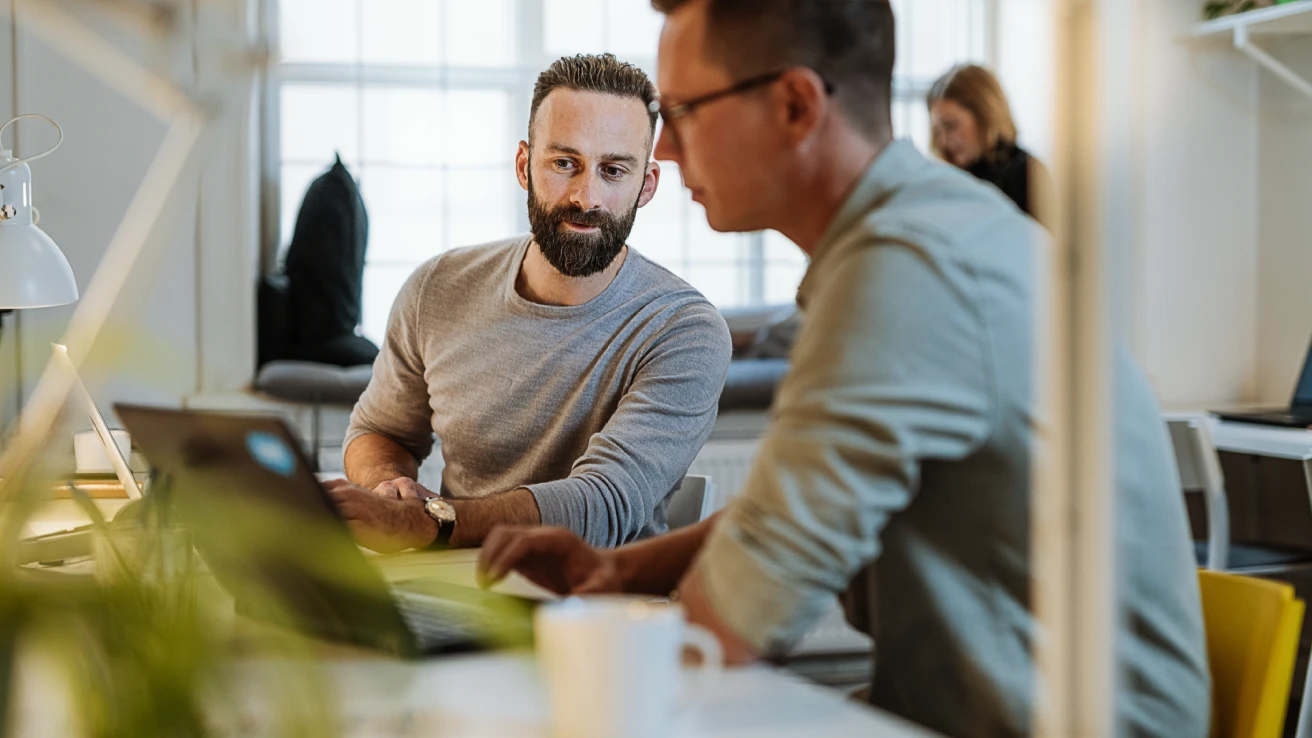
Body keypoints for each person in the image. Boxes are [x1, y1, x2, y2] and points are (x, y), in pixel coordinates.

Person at [477, 3, 1210, 737]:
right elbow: (786, 512)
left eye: (685, 111)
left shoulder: (906, 271)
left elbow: (729, 629)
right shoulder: (924, 227)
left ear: (797, 105)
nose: (663, 152)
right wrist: (620, 573)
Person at [324, 54, 732, 554]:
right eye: (565, 164)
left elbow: (601, 505)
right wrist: (388, 486)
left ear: (645, 185)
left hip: (600, 607)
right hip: (452, 587)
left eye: (613, 170)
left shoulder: (685, 331)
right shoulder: (437, 287)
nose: (587, 196)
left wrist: (425, 523)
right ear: (524, 165)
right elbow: (380, 431)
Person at [928, 63, 1052, 228]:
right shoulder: (948, 178)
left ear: (985, 117)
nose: (942, 141)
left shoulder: (1028, 173)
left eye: (951, 126)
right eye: (937, 131)